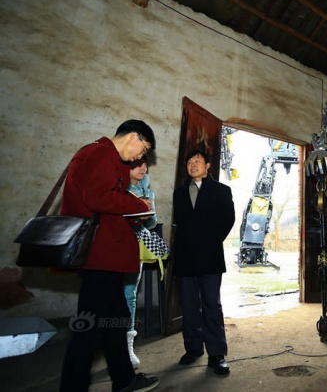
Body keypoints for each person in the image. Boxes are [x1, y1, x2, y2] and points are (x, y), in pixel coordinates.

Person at [59, 120, 160, 392]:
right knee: (89, 328)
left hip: (108, 255)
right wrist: (137, 204)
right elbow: (98, 198)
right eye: (143, 150)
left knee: (116, 320)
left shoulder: (108, 157)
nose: (140, 157)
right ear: (133, 137)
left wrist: (135, 212)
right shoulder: (101, 153)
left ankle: (124, 379)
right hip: (100, 256)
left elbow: (106, 206)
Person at [172, 149, 235, 375]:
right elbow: (180, 222)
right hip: (185, 257)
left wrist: (212, 239)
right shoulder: (179, 193)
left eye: (197, 161)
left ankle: (217, 354)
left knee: (212, 305)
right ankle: (193, 348)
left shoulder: (221, 190)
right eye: (189, 162)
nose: (193, 164)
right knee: (189, 305)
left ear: (208, 165)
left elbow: (228, 219)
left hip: (210, 256)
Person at [124, 156, 158, 369]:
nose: (143, 168)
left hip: (136, 245)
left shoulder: (147, 190)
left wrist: (148, 214)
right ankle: (107, 341)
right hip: (113, 245)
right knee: (108, 293)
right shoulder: (117, 188)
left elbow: (153, 223)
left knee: (130, 293)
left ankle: (128, 346)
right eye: (138, 164)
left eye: (145, 165)